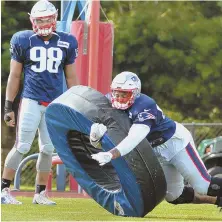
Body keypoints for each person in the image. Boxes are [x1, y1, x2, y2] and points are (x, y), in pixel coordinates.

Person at [90, 71, 222, 210]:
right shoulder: (107, 102)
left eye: (124, 94)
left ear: (135, 93)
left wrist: (111, 154)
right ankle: (217, 200)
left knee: (203, 185)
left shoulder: (145, 105)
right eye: (117, 93)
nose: (119, 98)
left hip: (175, 143)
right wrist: (94, 136)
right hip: (156, 151)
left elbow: (134, 138)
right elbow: (96, 134)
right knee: (174, 196)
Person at [1, 0, 79, 205]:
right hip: (31, 101)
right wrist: (9, 106)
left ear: (54, 19)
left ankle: (40, 193)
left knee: (48, 149)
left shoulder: (67, 41)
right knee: (23, 146)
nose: (43, 23)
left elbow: (71, 78)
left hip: (54, 104)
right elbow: (15, 76)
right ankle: (3, 190)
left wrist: (75, 104)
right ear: (32, 20)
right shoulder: (23, 39)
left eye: (47, 19)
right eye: (39, 19)